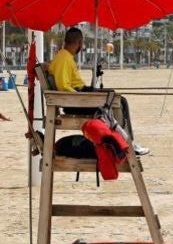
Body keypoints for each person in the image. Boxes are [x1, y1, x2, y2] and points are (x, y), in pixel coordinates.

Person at [48, 27, 149, 155]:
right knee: (111, 106)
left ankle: (128, 141)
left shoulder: (65, 56)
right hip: (75, 102)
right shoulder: (64, 59)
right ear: (79, 42)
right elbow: (63, 86)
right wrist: (85, 98)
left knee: (120, 101)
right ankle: (128, 144)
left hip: (78, 97)